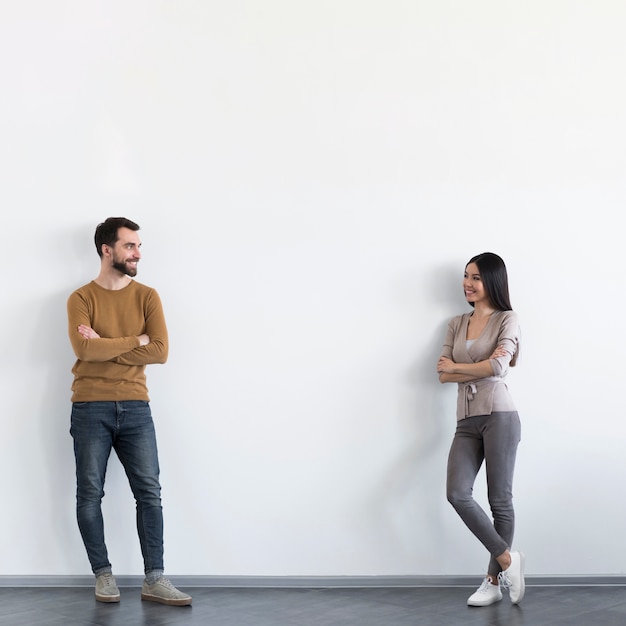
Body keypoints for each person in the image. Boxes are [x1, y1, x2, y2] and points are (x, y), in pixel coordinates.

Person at [67, 217, 192, 606]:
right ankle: (103, 575)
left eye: (138, 246)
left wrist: (107, 343)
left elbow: (161, 351)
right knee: (90, 494)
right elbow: (84, 350)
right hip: (89, 406)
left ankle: (154, 578)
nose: (137, 253)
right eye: (130, 246)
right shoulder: (81, 298)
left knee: (149, 494)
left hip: (137, 406)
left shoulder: (147, 296)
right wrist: (135, 339)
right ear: (108, 250)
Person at [436, 252, 524, 607]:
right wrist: (470, 368)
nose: (467, 283)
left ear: (492, 281)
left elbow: (500, 367)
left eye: (475, 277)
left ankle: (492, 581)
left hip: (500, 415)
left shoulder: (508, 318)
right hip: (466, 419)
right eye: (465, 276)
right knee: (457, 493)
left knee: (499, 500)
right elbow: (441, 374)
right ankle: (508, 560)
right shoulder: (456, 323)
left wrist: (458, 366)